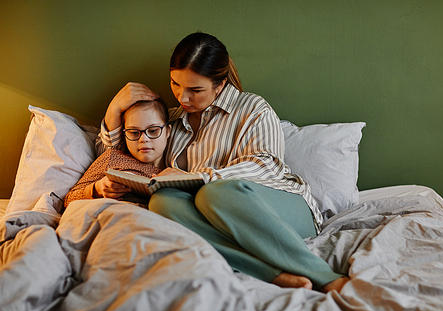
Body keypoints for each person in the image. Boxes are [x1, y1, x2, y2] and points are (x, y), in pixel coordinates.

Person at [99, 32, 349, 293]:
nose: (182, 98)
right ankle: (270, 273)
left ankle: (325, 276)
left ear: (219, 85)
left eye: (195, 90)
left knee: (215, 191)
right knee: (162, 202)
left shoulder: (253, 109)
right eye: (175, 84)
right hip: (214, 214)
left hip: (283, 207)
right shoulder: (169, 121)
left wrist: (205, 177)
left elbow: (268, 165)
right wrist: (115, 109)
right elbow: (117, 152)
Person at [64, 98, 170, 207]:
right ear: (124, 135)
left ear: (168, 131)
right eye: (133, 132)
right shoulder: (113, 157)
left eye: (153, 131)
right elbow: (69, 199)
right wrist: (97, 189)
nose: (144, 139)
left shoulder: (173, 174)